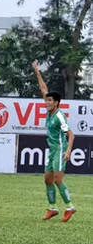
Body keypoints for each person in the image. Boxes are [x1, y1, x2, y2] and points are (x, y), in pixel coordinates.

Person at [33, 61, 76, 222]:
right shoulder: (50, 112)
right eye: (46, 100)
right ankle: (53, 208)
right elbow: (43, 88)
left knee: (57, 179)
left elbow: (71, 134)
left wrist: (68, 151)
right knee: (47, 179)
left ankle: (70, 207)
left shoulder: (58, 115)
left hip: (59, 149)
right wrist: (37, 71)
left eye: (49, 100)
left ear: (56, 102)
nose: (46, 102)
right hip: (52, 150)